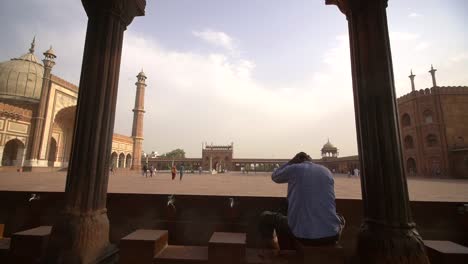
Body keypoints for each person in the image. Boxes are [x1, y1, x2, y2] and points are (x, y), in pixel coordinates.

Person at [258, 152, 345, 253]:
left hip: (303, 235)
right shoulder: (326, 171)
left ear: (298, 161)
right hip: (332, 235)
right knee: (341, 218)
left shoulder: (295, 168)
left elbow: (275, 176)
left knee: (266, 217)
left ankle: (275, 251)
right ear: (310, 159)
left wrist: (291, 162)